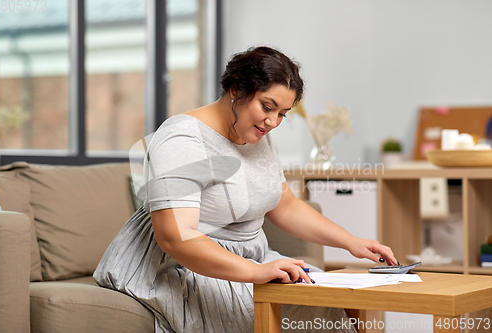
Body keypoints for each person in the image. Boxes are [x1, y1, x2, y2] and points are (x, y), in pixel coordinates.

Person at [94, 46, 397, 333]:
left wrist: (350, 242)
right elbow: (175, 237)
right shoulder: (182, 140)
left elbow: (285, 204)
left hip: (248, 259)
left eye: (282, 113)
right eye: (268, 107)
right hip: (179, 265)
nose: (273, 121)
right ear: (236, 89)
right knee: (271, 315)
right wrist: (253, 273)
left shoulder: (256, 133)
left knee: (319, 300)